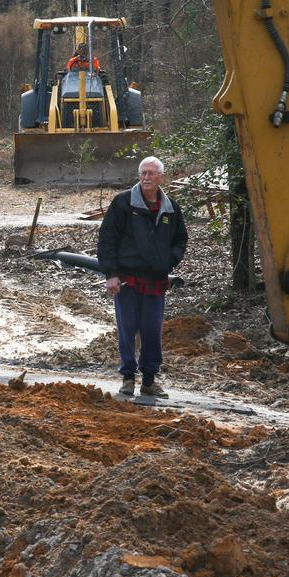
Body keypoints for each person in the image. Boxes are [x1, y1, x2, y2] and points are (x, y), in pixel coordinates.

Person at [96, 156, 188, 399]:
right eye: (143, 173)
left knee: (152, 330)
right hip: (127, 279)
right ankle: (127, 377)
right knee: (127, 328)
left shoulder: (170, 208)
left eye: (151, 173)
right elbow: (107, 239)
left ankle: (149, 380)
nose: (146, 178)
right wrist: (111, 274)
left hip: (156, 279)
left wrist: (169, 261)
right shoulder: (123, 203)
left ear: (161, 177)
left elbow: (180, 239)